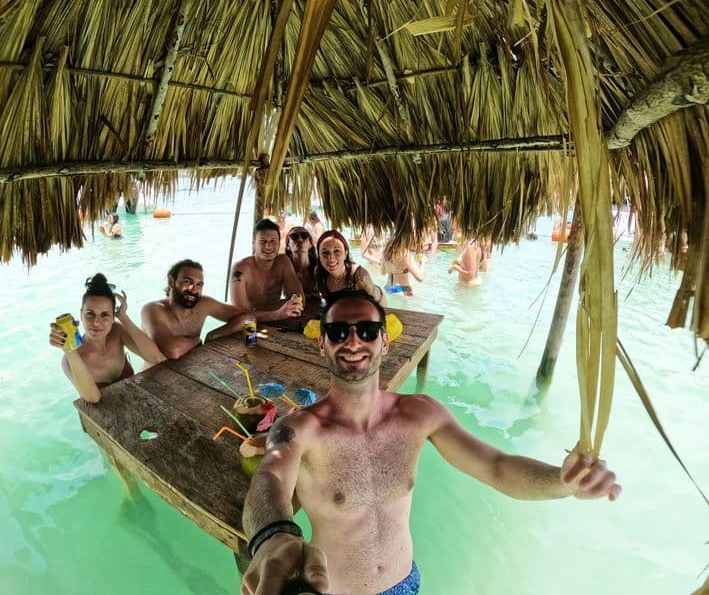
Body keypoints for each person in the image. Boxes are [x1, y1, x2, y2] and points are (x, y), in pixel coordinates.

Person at [241, 290, 621, 595]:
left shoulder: (419, 414)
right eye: (339, 332)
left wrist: (563, 482)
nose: (353, 341)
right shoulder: (299, 428)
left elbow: (496, 467)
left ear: (385, 343)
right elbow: (270, 480)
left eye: (367, 331)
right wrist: (274, 538)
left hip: (405, 583)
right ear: (322, 344)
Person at [48, 273, 166, 403]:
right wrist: (69, 349)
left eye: (104, 315)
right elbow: (93, 398)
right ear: (81, 315)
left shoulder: (117, 332)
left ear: (113, 317)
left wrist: (124, 317)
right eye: (90, 314)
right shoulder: (69, 359)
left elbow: (157, 359)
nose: (96, 322)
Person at [142, 259, 255, 360]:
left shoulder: (203, 304)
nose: (194, 289)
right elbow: (173, 351)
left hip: (190, 370)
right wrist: (197, 341)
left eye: (199, 285)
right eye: (188, 282)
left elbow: (249, 318)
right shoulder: (152, 309)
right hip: (153, 376)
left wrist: (213, 336)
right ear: (171, 282)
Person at [231, 219, 304, 322]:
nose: (268, 246)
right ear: (253, 243)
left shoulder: (283, 262)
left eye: (273, 241)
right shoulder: (240, 269)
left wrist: (258, 311)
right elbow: (238, 314)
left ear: (279, 243)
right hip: (248, 326)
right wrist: (276, 314)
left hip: (274, 322)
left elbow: (300, 300)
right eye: (263, 241)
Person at [315, 230, 385, 305]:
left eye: (336, 251)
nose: (331, 258)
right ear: (319, 256)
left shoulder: (359, 276)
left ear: (345, 254)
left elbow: (377, 304)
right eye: (325, 252)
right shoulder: (319, 272)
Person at [285, 225, 319, 298]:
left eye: (304, 236)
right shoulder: (283, 270)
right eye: (294, 236)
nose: (300, 240)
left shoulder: (319, 268)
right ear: (288, 246)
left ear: (310, 244)